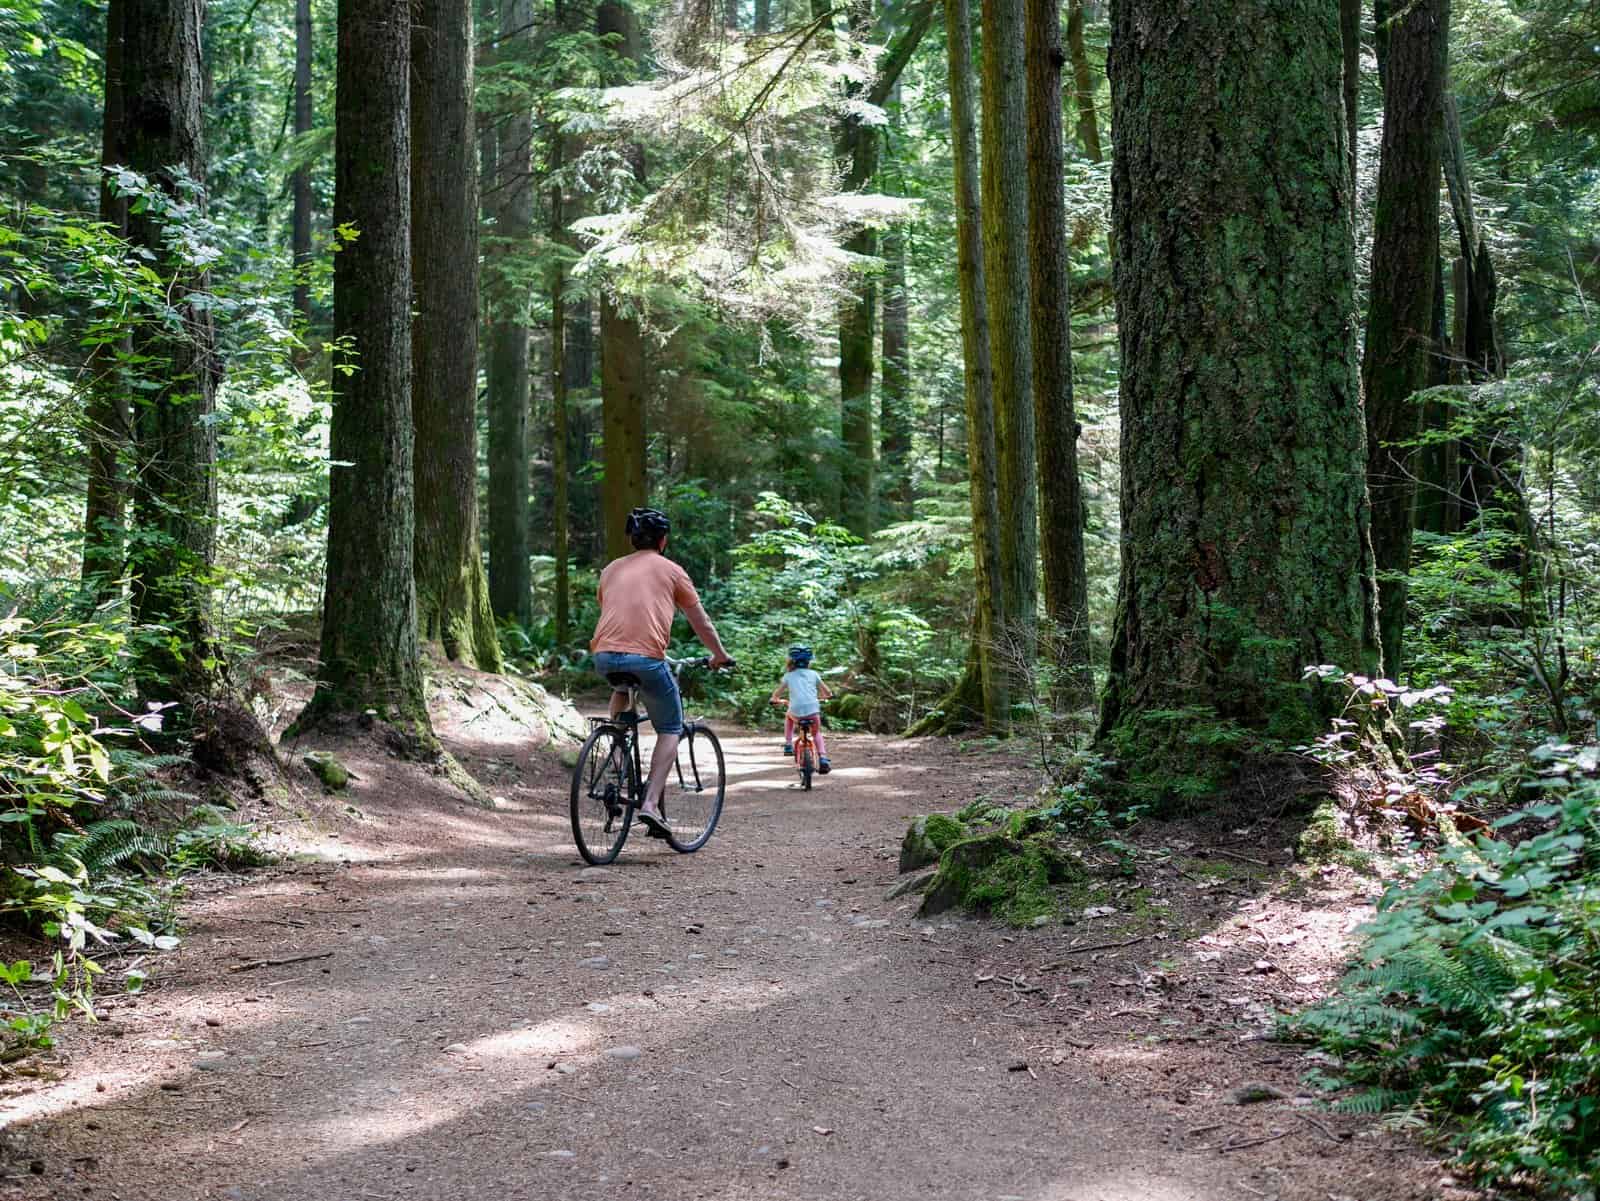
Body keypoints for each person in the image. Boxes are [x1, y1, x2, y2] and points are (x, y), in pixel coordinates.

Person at [590, 507, 734, 837]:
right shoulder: (671, 570)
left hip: (604, 656)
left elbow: (617, 612)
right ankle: (651, 805)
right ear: (663, 540)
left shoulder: (611, 569)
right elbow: (701, 622)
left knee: (623, 687)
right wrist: (720, 655)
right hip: (645, 659)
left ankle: (617, 741)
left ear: (632, 538)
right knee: (670, 726)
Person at [769, 644, 831, 774]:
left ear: (792, 661)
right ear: (809, 661)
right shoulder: (814, 674)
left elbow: (776, 695)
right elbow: (828, 693)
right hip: (813, 711)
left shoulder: (788, 676)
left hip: (796, 711)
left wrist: (775, 700)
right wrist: (826, 697)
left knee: (788, 715)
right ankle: (823, 758)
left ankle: (788, 744)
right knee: (816, 733)